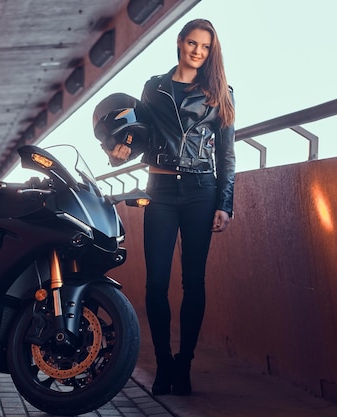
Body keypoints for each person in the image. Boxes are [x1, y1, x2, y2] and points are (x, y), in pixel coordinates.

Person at [109, 19, 236, 396]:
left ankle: (185, 364)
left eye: (205, 46)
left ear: (211, 51)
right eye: (192, 43)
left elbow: (227, 155)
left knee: (193, 282)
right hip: (160, 190)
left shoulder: (219, 93)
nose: (198, 51)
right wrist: (120, 154)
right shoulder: (154, 87)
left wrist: (224, 203)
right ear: (180, 43)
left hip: (201, 190)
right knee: (156, 282)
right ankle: (163, 363)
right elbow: (141, 138)